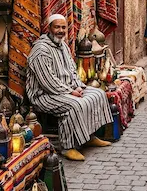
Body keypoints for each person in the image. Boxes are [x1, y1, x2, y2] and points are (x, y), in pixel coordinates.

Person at [27, 14, 114, 161]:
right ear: (49, 28)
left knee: (98, 94)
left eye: (63, 27)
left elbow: (72, 70)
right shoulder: (41, 50)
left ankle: (88, 136)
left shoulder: (63, 46)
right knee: (74, 105)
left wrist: (78, 86)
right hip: (44, 95)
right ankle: (67, 147)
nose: (60, 31)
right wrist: (71, 92)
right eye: (57, 27)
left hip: (65, 89)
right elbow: (48, 82)